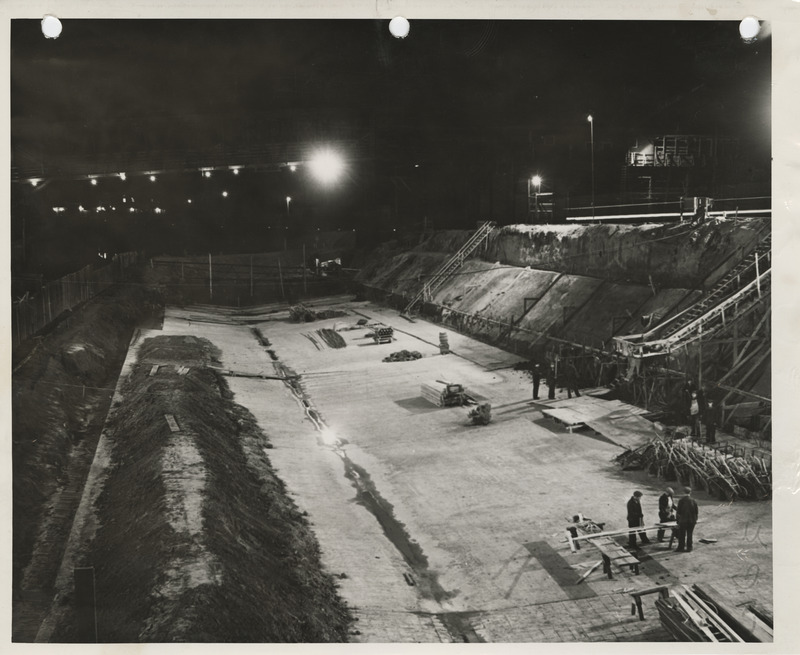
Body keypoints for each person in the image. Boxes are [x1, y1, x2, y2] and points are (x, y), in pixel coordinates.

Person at [675, 486, 699, 552]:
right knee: (689, 534)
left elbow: (678, 512)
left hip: (683, 520)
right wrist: (695, 519)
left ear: (683, 492)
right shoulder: (693, 500)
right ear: (690, 492)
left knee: (682, 535)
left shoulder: (681, 501)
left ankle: (681, 547)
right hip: (692, 520)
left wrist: (677, 521)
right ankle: (689, 547)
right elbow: (696, 511)